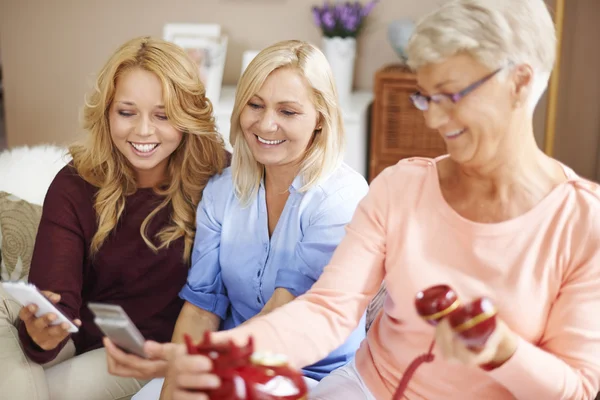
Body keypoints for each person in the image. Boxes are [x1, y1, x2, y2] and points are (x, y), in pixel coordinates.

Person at [162, 1, 600, 399]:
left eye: (448, 95)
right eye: (425, 97)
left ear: (519, 83)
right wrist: (209, 355)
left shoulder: (582, 222)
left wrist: (503, 352)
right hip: (365, 389)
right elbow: (327, 310)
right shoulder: (401, 186)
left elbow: (578, 388)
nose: (433, 118)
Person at [106, 39, 369, 400]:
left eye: (288, 112)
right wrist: (177, 383)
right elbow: (201, 308)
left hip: (316, 376)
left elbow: (285, 311)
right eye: (255, 105)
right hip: (230, 365)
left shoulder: (341, 199)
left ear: (320, 118)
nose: (266, 123)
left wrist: (202, 368)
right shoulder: (221, 191)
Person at [0, 36, 227, 400]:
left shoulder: (218, 181)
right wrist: (41, 336)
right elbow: (55, 304)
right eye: (127, 112)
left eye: (163, 114)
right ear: (107, 113)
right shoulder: (75, 184)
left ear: (187, 117)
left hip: (146, 350)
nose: (143, 131)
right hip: (80, 329)